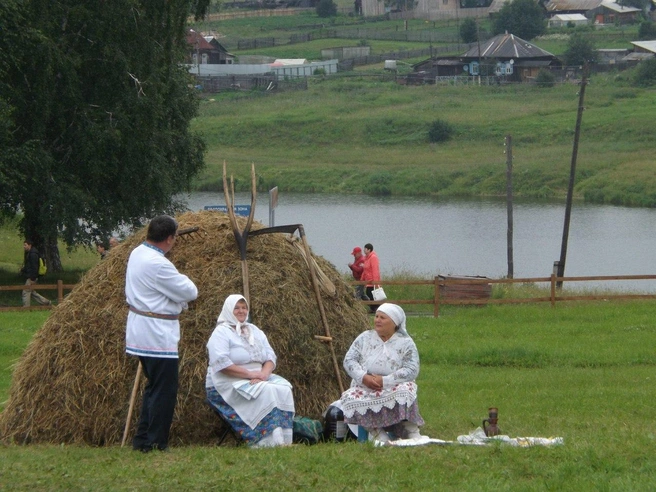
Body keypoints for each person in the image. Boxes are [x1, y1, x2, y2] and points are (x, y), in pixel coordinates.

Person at [125, 214, 198, 453]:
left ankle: (142, 439)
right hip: (156, 336)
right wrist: (181, 283)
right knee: (164, 390)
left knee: (153, 387)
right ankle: (155, 443)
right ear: (169, 239)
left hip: (142, 331)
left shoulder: (137, 253)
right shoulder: (158, 264)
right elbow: (189, 291)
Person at [206, 294, 295, 448]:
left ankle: (284, 440)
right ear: (228, 310)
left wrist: (264, 374)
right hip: (227, 381)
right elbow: (221, 364)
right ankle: (267, 441)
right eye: (237, 308)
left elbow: (270, 356)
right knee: (267, 392)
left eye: (244, 307)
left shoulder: (254, 330)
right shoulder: (221, 332)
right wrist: (251, 375)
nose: (241, 311)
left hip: (259, 377)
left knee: (284, 388)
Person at [340, 303, 424, 442]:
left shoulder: (405, 342)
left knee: (405, 390)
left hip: (393, 384)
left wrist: (385, 380)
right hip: (365, 384)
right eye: (377, 316)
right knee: (350, 397)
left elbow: (412, 369)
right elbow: (349, 360)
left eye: (383, 317)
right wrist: (363, 377)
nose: (377, 320)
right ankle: (377, 433)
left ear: (394, 322)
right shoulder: (364, 338)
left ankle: (411, 430)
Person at [19, 239, 51, 307]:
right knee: (32, 292)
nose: (24, 247)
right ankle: (46, 302)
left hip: (31, 277)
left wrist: (32, 278)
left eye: (25, 245)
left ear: (29, 245)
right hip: (32, 276)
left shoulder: (33, 254)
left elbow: (34, 267)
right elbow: (29, 266)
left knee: (25, 292)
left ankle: (26, 308)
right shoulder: (32, 253)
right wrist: (23, 270)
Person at [362, 243, 381, 312]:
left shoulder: (373, 257)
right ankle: (373, 308)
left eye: (365, 249)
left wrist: (376, 282)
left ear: (369, 250)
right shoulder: (366, 258)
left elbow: (375, 269)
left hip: (372, 280)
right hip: (368, 279)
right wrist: (362, 278)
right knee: (369, 294)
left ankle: (375, 308)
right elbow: (365, 269)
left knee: (372, 294)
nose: (364, 250)